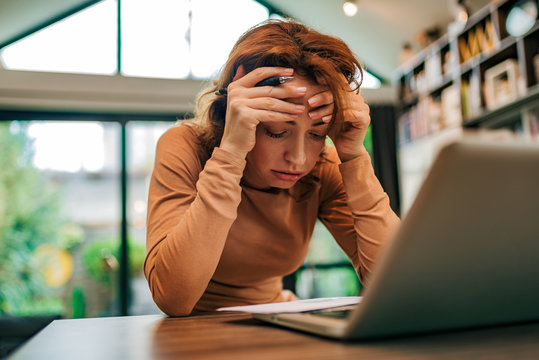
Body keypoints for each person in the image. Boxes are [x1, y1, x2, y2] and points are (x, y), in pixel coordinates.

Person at [144, 19, 400, 316]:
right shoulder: (185, 146)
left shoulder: (322, 166)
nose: (299, 159)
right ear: (237, 110)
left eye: (317, 134)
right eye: (277, 131)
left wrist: (355, 158)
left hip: (278, 323)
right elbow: (173, 298)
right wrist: (231, 153)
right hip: (194, 332)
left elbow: (394, 282)